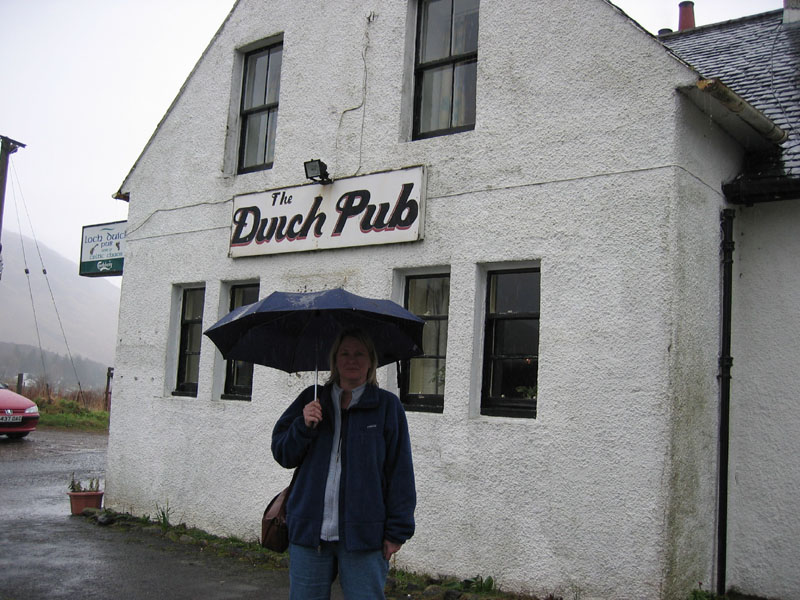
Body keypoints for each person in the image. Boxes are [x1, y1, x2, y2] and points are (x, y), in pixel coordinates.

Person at [271, 328, 416, 599]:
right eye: (345, 353)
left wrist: (397, 531)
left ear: (371, 361)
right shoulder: (311, 399)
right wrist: (303, 425)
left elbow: (400, 473)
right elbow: (283, 454)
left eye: (360, 353)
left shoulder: (386, 407)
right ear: (334, 359)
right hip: (309, 532)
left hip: (364, 536)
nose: (352, 359)